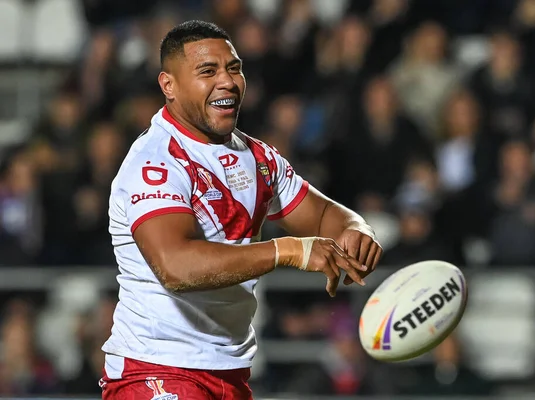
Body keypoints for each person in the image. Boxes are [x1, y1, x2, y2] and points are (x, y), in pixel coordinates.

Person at [99, 20, 382, 400]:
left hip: (229, 372)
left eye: (234, 68)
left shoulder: (257, 157)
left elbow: (323, 217)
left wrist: (357, 229)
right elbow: (176, 266)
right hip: (157, 370)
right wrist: (288, 250)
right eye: (208, 71)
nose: (228, 81)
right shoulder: (155, 164)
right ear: (169, 85)